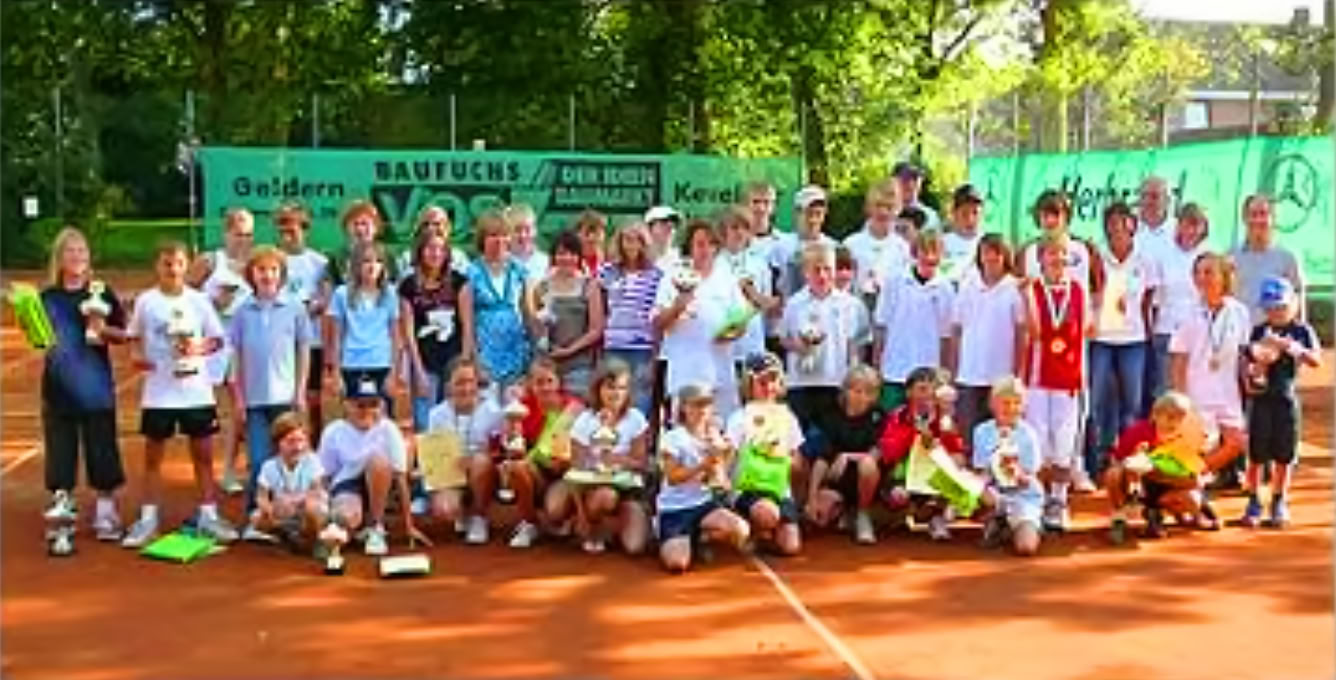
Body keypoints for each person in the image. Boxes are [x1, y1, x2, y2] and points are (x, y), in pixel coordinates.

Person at [122, 241, 237, 547]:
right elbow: (134, 338)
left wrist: (197, 348)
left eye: (178, 263)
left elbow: (217, 339)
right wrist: (137, 357)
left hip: (196, 392)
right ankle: (148, 520)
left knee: (202, 457)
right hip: (159, 393)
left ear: (187, 267)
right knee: (152, 459)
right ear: (157, 267)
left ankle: (208, 516)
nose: (172, 269)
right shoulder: (146, 301)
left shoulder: (199, 301)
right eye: (166, 263)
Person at [38, 227, 130, 545]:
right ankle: (63, 507)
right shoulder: (47, 297)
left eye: (82, 251)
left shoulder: (101, 293)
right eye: (70, 251)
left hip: (95, 387)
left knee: (102, 448)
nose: (77, 257)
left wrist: (102, 329)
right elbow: (39, 341)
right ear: (59, 258)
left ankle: (106, 509)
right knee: (60, 451)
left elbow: (124, 334)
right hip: (59, 386)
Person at [229, 246, 313, 541]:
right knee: (259, 459)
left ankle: (297, 516)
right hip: (254, 401)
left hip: (286, 399)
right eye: (261, 270)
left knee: (293, 457)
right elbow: (235, 356)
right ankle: (257, 517)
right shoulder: (242, 312)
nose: (267, 275)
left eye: (273, 270)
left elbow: (303, 349)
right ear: (251, 274)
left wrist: (300, 390)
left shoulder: (294, 308)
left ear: (281, 274)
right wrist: (238, 398)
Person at [1022, 234, 1094, 532]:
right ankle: (1036, 501)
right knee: (1037, 441)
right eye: (1050, 254)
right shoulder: (1031, 289)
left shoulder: (1078, 290)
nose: (1057, 259)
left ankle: (1059, 500)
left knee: (1064, 442)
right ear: (1040, 259)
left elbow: (1089, 329)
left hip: (1068, 377)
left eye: (1062, 254)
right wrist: (1028, 296)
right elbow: (1036, 332)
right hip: (1038, 377)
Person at [1241, 277, 1321, 528]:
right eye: (1270, 308)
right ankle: (1254, 500)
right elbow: (1246, 363)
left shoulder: (1301, 331)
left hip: (1286, 399)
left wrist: (1291, 347)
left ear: (1293, 305)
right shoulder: (1258, 330)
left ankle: (1279, 500)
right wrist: (1257, 366)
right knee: (1256, 455)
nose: (1275, 312)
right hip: (1260, 401)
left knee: (1284, 456)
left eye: (1281, 307)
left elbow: (1315, 360)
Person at [318, 374, 430, 555]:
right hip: (347, 485)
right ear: (346, 405)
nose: (367, 410)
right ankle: (354, 529)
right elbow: (326, 478)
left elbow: (401, 478)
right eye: (360, 405)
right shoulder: (333, 431)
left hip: (383, 484)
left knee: (378, 461)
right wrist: (326, 514)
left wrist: (409, 526)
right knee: (347, 518)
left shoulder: (388, 428)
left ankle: (376, 528)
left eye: (373, 404)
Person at [1088, 202, 1159, 478]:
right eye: (1111, 222)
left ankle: (1128, 459)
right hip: (1102, 339)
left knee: (1132, 403)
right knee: (1098, 401)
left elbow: (1149, 298)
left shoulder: (1145, 259)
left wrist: (1147, 332)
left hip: (1134, 339)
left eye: (1122, 222)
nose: (1116, 227)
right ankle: (1099, 458)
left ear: (1132, 225)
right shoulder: (1096, 257)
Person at [1169, 252, 1249, 494]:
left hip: (1228, 392)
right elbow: (1178, 359)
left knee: (1237, 443)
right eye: (1198, 273)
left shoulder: (1239, 312)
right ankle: (1183, 488)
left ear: (1224, 277)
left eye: (1209, 272)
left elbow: (1243, 355)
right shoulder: (1186, 312)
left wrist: (1251, 381)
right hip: (1197, 392)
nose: (1202, 278)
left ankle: (1192, 480)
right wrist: (1181, 399)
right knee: (1197, 446)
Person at [653, 219, 747, 420]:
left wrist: (730, 333)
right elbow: (658, 323)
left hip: (721, 375)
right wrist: (678, 306)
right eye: (700, 244)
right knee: (684, 438)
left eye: (712, 244)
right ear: (690, 247)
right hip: (685, 373)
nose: (706, 250)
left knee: (722, 436)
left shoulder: (727, 280)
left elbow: (741, 322)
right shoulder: (673, 278)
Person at [188, 208, 254, 495]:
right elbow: (182, 295)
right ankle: (202, 471)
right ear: (226, 233)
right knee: (204, 412)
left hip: (242, 346)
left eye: (249, 234)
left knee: (240, 413)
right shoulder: (210, 261)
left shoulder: (257, 264)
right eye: (238, 234)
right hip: (209, 346)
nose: (244, 240)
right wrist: (210, 301)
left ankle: (229, 469)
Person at [655, 383, 751, 573]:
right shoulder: (673, 438)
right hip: (675, 509)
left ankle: (700, 537)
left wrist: (722, 469)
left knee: (741, 530)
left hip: (703, 505)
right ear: (684, 407)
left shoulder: (714, 435)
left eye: (706, 405)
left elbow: (720, 474)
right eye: (696, 405)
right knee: (677, 564)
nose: (702, 410)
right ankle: (664, 533)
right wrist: (703, 466)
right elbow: (673, 477)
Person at [951, 234, 1026, 456]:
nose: (991, 257)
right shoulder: (967, 285)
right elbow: (957, 329)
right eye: (986, 252)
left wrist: (1017, 373)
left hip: (1001, 378)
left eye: (997, 252)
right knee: (968, 437)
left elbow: (1022, 333)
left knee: (1000, 440)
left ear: (1005, 256)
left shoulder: (1015, 288)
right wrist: (954, 370)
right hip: (970, 375)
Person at [1102, 391, 1212, 542]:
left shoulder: (1188, 439)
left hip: (1169, 488)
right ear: (1155, 415)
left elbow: (1196, 480)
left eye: (1180, 418)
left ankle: (1180, 515)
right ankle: (1119, 518)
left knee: (1193, 498)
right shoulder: (1136, 432)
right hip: (1140, 487)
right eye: (1170, 417)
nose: (1174, 423)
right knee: (1112, 475)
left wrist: (1157, 471)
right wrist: (1134, 460)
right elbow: (1116, 464)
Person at [568, 360, 651, 555]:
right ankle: (593, 525)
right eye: (610, 387)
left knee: (635, 547)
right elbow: (575, 470)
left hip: (628, 490)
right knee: (605, 496)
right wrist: (582, 514)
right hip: (594, 490)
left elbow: (642, 463)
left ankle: (620, 521)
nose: (616, 393)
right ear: (598, 389)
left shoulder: (636, 418)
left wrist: (618, 460)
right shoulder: (585, 421)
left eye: (622, 388)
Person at [727, 352, 804, 556]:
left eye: (773, 381)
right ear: (748, 385)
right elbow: (729, 456)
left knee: (791, 546)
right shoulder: (739, 418)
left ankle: (765, 533)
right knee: (767, 514)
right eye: (761, 382)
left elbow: (798, 461)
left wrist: (782, 457)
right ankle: (750, 524)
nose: (768, 387)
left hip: (779, 490)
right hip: (747, 489)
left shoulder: (787, 417)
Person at [781, 242, 866, 428]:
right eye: (816, 270)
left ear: (835, 270)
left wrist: (853, 380)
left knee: (831, 439)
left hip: (836, 381)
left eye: (827, 269)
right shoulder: (794, 304)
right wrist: (800, 347)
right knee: (801, 439)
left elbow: (855, 346)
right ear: (805, 272)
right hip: (800, 383)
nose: (822, 275)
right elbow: (783, 338)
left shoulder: (850, 304)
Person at [876, 366, 967, 540]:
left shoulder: (944, 418)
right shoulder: (898, 416)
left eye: (932, 389)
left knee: (958, 461)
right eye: (921, 389)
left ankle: (937, 516)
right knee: (898, 496)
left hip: (933, 475)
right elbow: (890, 453)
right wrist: (914, 435)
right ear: (909, 392)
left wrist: (937, 438)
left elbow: (957, 449)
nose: (927, 395)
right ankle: (903, 513)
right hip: (904, 475)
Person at [504, 356, 583, 548]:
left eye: (550, 381)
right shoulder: (520, 408)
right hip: (536, 471)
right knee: (515, 468)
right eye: (539, 382)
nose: (545, 387)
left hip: (564, 475)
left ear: (558, 383)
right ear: (530, 384)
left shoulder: (575, 408)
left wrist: (566, 463)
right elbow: (513, 450)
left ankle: (566, 518)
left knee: (555, 511)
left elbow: (581, 451)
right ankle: (529, 523)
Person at [873, 229, 955, 410]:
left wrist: (946, 374)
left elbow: (947, 337)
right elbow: (881, 326)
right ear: (914, 253)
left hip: (928, 375)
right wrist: (877, 366)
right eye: (925, 251)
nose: (930, 257)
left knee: (924, 431)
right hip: (894, 371)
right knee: (891, 426)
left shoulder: (946, 289)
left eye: (936, 252)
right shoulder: (894, 281)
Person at [425, 358, 504, 544]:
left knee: (480, 463)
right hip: (451, 475)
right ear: (448, 386)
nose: (466, 388)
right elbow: (434, 457)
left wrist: (475, 458)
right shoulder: (436, 414)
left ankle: (479, 516)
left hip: (484, 474)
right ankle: (461, 512)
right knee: (444, 509)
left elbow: (499, 453)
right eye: (459, 383)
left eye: (470, 381)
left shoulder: (493, 411)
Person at [803, 365, 885, 544]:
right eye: (856, 391)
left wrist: (847, 456)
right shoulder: (831, 417)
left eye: (868, 392)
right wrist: (812, 498)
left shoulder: (878, 417)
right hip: (838, 481)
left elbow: (877, 453)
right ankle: (845, 512)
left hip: (868, 482)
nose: (861, 397)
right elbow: (822, 460)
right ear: (846, 391)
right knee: (821, 517)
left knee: (868, 465)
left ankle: (863, 514)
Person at [399, 227, 469, 433]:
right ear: (420, 252)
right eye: (430, 248)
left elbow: (467, 326)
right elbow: (408, 333)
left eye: (440, 248)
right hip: (425, 363)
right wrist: (418, 370)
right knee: (425, 421)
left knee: (454, 421)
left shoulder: (459, 282)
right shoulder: (408, 286)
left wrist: (464, 363)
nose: (435, 253)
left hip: (453, 361)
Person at [460, 210, 535, 398]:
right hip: (485, 357)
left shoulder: (520, 270)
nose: (499, 240)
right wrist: (474, 363)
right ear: (482, 239)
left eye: (504, 235)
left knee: (514, 413)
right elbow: (467, 325)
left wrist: (533, 358)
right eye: (493, 235)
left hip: (516, 356)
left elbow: (529, 316)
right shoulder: (471, 273)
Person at [1145, 202, 1210, 413]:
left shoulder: (1210, 256)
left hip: (1200, 335)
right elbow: (1153, 299)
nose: (1191, 230)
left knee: (1196, 392)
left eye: (1196, 225)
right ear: (1178, 226)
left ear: (1203, 228)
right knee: (1165, 393)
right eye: (1186, 224)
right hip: (1166, 332)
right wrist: (1151, 331)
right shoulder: (1164, 254)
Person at [274, 201, 331, 434]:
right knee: (282, 396)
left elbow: (326, 297)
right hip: (280, 340)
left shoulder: (318, 262)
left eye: (293, 227)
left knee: (313, 397)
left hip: (311, 339)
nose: (287, 234)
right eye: (282, 228)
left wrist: (315, 306)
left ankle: (314, 445)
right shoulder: (273, 260)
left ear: (304, 228)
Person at [326, 241, 402, 410]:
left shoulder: (390, 293)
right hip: (352, 364)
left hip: (381, 363)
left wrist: (393, 372)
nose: (372, 266)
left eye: (378, 261)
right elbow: (336, 337)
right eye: (366, 261)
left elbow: (396, 337)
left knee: (382, 418)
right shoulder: (341, 293)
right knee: (354, 417)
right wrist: (336, 373)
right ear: (356, 265)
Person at [972, 376, 1043, 556]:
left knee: (1026, 548)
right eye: (1005, 402)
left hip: (1023, 497)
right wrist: (978, 487)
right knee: (974, 487)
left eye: (1017, 403)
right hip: (994, 493)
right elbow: (981, 471)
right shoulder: (981, 431)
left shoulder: (1029, 434)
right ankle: (995, 519)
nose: (1011, 408)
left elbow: (1029, 478)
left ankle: (1019, 525)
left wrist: (1015, 473)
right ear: (992, 404)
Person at [599, 221, 664, 417]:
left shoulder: (655, 275)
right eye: (627, 240)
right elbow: (601, 310)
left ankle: (639, 446)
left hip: (642, 349)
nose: (632, 245)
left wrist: (655, 353)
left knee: (640, 403)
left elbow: (657, 316)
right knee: (612, 403)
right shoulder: (607, 272)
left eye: (637, 240)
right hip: (614, 347)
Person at [534, 230, 605, 397]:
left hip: (579, 366)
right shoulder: (542, 286)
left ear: (579, 257)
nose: (566, 258)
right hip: (547, 367)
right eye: (561, 253)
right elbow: (535, 324)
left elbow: (596, 329)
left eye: (572, 253)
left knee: (575, 415)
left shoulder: (590, 285)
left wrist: (570, 350)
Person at [248, 412, 328, 549]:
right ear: (277, 443)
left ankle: (312, 541)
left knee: (313, 508)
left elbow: (317, 491)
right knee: (256, 518)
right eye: (290, 441)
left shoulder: (313, 461)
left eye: (301, 440)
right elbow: (261, 496)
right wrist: (268, 510)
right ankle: (288, 534)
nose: (297, 447)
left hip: (307, 510)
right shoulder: (269, 466)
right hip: (284, 514)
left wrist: (293, 501)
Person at [717, 205, 780, 368]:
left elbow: (770, 305)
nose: (739, 233)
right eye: (734, 227)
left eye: (745, 228)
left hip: (752, 343)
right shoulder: (715, 262)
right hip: (722, 345)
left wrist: (753, 294)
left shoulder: (759, 264)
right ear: (723, 231)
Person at [1231, 194, 1305, 326]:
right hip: (1239, 333)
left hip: (1275, 337)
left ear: (1273, 219)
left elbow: (1298, 296)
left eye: (1263, 214)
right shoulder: (1230, 257)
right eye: (1253, 214)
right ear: (1244, 218)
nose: (1258, 220)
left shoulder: (1287, 258)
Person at [1015, 189, 1103, 296]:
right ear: (1038, 218)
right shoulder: (1025, 253)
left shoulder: (1087, 250)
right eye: (1045, 215)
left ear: (1066, 216)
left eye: (1056, 214)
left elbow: (1098, 293)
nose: (1050, 221)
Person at [841, 180, 907, 306]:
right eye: (878, 205)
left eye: (889, 207)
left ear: (898, 209)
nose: (883, 212)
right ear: (868, 207)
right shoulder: (850, 245)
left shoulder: (903, 248)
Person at [770, 185, 837, 299]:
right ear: (797, 212)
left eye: (818, 213)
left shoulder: (833, 247)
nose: (813, 220)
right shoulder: (779, 246)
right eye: (809, 213)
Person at [395, 205, 470, 282]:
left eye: (437, 224)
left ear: (447, 228)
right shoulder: (406, 258)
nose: (430, 228)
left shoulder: (459, 258)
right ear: (419, 229)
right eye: (426, 224)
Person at [940, 184, 985, 285]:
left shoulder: (987, 243)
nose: (970, 219)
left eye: (975, 213)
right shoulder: (942, 242)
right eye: (964, 213)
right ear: (954, 213)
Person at [506, 203, 549, 282]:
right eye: (517, 230)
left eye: (527, 230)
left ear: (535, 231)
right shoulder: (498, 263)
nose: (523, 235)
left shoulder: (546, 263)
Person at [890, 161, 941, 229]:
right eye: (905, 178)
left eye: (915, 178)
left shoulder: (930, 216)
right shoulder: (883, 212)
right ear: (894, 181)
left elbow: (933, 238)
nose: (911, 184)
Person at [645, 205, 683, 271]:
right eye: (663, 222)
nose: (670, 226)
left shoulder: (681, 259)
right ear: (649, 228)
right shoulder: (635, 258)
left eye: (674, 224)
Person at [572, 209, 608, 274]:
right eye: (587, 232)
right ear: (577, 233)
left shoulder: (610, 261)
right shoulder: (566, 260)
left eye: (598, 233)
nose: (592, 237)